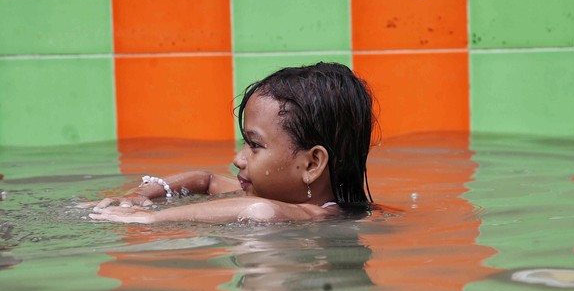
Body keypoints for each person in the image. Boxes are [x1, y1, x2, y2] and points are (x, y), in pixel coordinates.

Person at [88, 62, 377, 224]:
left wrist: (150, 220)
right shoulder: (268, 193)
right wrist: (140, 196)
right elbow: (206, 180)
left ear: (311, 164)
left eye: (255, 145)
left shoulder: (318, 215)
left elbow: (257, 212)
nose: (239, 159)